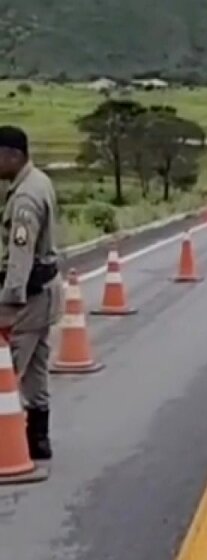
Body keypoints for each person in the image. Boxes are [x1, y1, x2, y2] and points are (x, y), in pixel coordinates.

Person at [0, 126, 63, 461]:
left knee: (5, 370)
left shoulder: (24, 198)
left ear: (13, 155)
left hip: (29, 295)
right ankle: (38, 440)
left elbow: (20, 259)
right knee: (37, 368)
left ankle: (7, 442)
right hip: (49, 291)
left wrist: (8, 305)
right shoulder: (39, 181)